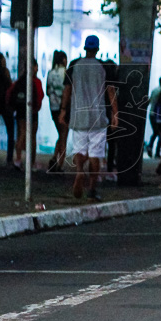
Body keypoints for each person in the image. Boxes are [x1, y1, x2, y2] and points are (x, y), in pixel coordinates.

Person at [60, 35, 118, 200]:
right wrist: (115, 113)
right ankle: (92, 188)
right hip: (98, 118)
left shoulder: (74, 66)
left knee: (79, 150)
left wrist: (63, 110)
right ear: (97, 49)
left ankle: (79, 172)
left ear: (85, 49)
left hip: (78, 117)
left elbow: (67, 90)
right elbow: (111, 91)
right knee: (95, 154)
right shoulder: (103, 67)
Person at [9, 60, 44, 171]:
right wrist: (36, 108)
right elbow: (40, 96)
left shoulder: (20, 81)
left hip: (20, 110)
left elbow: (10, 93)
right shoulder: (36, 81)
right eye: (36, 66)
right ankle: (32, 163)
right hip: (32, 111)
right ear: (33, 67)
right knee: (32, 136)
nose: (37, 69)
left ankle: (18, 160)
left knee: (22, 134)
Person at [46, 51, 68, 172]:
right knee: (64, 135)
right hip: (64, 108)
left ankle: (55, 159)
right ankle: (59, 164)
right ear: (64, 60)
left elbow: (48, 92)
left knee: (61, 134)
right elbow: (68, 91)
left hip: (53, 108)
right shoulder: (65, 73)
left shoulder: (50, 73)